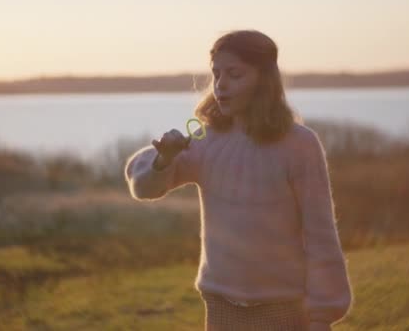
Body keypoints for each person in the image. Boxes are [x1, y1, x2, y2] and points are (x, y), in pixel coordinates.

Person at [124, 29, 353, 331]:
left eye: (234, 74)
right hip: (221, 309)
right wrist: (164, 158)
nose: (221, 85)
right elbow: (143, 187)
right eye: (216, 74)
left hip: (286, 310)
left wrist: (322, 316)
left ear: (264, 79)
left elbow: (320, 234)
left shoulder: (300, 144)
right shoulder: (205, 139)